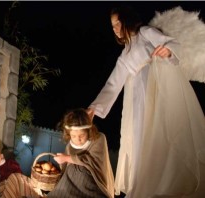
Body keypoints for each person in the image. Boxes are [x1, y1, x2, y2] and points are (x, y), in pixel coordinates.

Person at [87, 6, 205, 198]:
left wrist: (168, 51)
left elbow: (171, 43)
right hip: (136, 101)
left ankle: (167, 182)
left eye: (117, 23)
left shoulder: (145, 33)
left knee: (162, 132)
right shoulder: (124, 54)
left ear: (127, 20)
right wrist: (94, 108)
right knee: (139, 136)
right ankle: (144, 183)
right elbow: (113, 83)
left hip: (156, 89)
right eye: (112, 26)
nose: (115, 28)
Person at [47, 108, 114, 198]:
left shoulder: (99, 139)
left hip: (92, 185)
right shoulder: (69, 146)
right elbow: (65, 169)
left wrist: (67, 158)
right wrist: (62, 161)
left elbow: (92, 160)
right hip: (70, 186)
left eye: (82, 135)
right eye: (73, 136)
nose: (78, 139)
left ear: (89, 131)